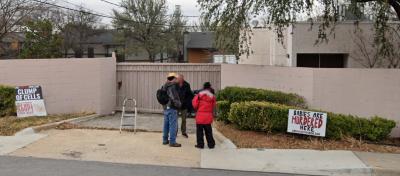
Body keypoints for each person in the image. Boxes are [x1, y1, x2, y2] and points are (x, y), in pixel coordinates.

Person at [192, 82, 216, 149]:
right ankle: (211, 144)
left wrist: (198, 108)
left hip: (200, 115)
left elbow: (194, 103)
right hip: (208, 115)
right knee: (209, 131)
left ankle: (200, 144)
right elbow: (213, 105)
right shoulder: (212, 96)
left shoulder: (199, 95)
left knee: (199, 131)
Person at [162, 73, 182, 147]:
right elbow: (174, 97)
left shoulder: (164, 86)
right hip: (171, 108)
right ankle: (172, 141)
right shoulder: (171, 86)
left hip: (165, 108)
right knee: (173, 125)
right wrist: (179, 105)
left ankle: (165, 139)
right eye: (175, 78)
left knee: (166, 125)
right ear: (173, 78)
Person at [176, 74, 194, 138]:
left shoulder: (187, 85)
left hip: (184, 105)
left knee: (184, 120)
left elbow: (190, 95)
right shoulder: (175, 84)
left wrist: (186, 100)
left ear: (181, 78)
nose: (176, 79)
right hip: (177, 105)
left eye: (177, 78)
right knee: (175, 119)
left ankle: (183, 132)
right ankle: (175, 132)